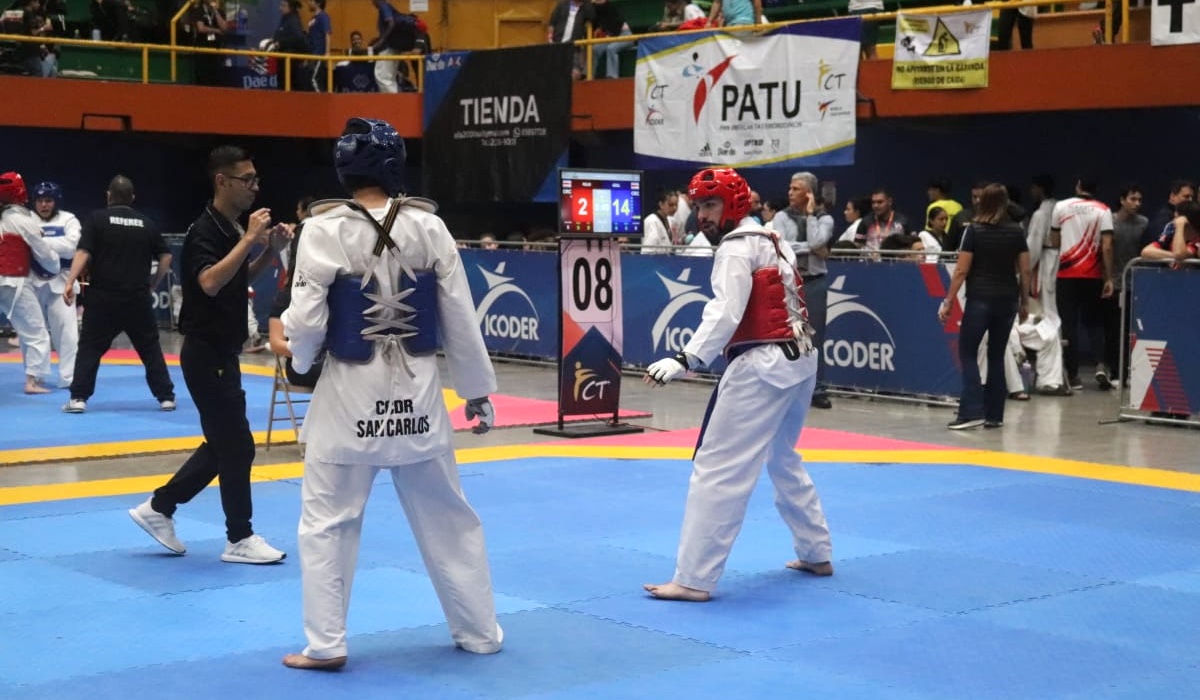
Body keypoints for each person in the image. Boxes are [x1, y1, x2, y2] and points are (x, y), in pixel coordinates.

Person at [280, 117, 502, 669]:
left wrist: (300, 360)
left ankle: (326, 644)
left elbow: (305, 320)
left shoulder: (323, 229)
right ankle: (479, 633)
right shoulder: (429, 226)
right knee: (450, 519)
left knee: (327, 524)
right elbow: (459, 315)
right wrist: (476, 391)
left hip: (349, 399)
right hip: (419, 399)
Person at [641, 167, 832, 603]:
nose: (703, 215)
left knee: (718, 467)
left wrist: (686, 358)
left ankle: (693, 578)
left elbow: (725, 311)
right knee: (782, 457)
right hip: (801, 359)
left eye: (711, 205)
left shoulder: (735, 247)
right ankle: (816, 552)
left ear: (734, 204)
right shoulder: (772, 237)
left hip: (764, 363)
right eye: (698, 206)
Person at [127, 146, 289, 564]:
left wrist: (268, 252)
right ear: (222, 181)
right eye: (247, 179)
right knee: (237, 446)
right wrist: (250, 239)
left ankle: (160, 507)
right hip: (206, 352)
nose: (254, 187)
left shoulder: (229, 228)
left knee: (225, 444)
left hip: (221, 352)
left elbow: (236, 277)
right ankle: (239, 537)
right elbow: (210, 282)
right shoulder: (204, 230)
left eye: (256, 179)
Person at [62, 175, 175, 413]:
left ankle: (78, 398)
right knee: (150, 348)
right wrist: (153, 284)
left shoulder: (96, 219)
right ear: (132, 197)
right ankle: (166, 397)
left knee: (90, 348)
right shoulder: (146, 223)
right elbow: (166, 256)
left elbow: (83, 252)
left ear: (108, 196)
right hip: (137, 298)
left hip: (103, 298)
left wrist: (70, 281)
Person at [938, 183, 1031, 430]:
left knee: (968, 353)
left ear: (983, 202)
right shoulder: (1016, 231)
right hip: (1007, 300)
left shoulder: (974, 231)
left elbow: (961, 270)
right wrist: (1024, 302)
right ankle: (994, 415)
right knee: (997, 355)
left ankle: (971, 412)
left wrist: (948, 301)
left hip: (980, 299)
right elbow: (1025, 270)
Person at [772, 171, 834, 409]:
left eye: (796, 189)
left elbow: (818, 241)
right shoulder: (781, 217)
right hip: (790, 283)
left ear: (809, 194)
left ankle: (817, 389)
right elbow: (781, 247)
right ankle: (791, 388)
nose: (790, 192)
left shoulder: (824, 218)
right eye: (790, 188)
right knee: (789, 336)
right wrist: (810, 248)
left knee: (814, 337)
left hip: (814, 282)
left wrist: (809, 217)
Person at [0, 171, 58, 394]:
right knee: (35, 331)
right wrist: (54, 267)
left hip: (10, 280)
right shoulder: (22, 221)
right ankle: (33, 381)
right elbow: (45, 254)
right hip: (13, 281)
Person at [28, 180, 80, 389]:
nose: (44, 205)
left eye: (48, 200)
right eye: (40, 200)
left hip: (62, 281)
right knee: (33, 332)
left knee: (67, 333)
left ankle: (68, 377)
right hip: (32, 282)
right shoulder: (26, 219)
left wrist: (37, 241)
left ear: (56, 201)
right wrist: (52, 243)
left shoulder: (69, 219)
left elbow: (72, 247)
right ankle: (36, 375)